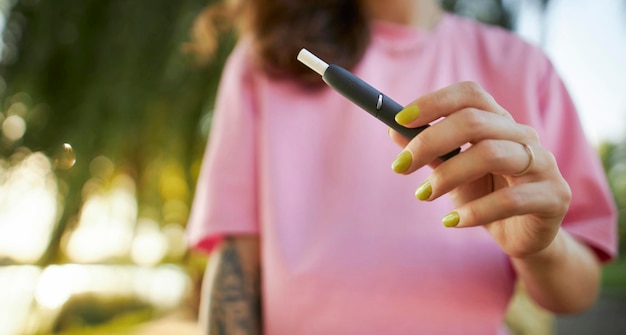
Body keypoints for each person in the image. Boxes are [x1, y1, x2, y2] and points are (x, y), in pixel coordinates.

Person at [186, 0, 617, 334]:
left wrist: (539, 246)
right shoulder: (267, 58)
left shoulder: (525, 70)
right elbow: (235, 268)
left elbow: (577, 292)